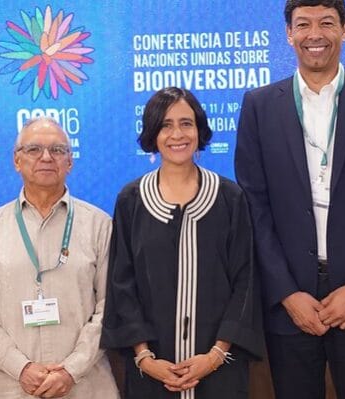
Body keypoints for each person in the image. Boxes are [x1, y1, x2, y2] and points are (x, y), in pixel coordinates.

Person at [234, 0, 345, 397]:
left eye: (326, 23)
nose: (315, 34)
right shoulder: (259, 105)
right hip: (289, 302)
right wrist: (286, 293)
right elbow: (253, 208)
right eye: (303, 25)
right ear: (289, 34)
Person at [101, 87, 263, 398]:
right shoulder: (131, 200)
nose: (177, 134)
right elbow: (122, 283)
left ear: (199, 130)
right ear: (152, 133)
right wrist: (145, 358)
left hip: (220, 371)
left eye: (186, 123)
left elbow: (246, 280)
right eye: (165, 124)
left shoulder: (229, 197)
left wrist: (215, 356)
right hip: (151, 372)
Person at [0, 117, 119, 399]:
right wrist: (21, 368)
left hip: (86, 386)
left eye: (58, 150)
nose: (46, 157)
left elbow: (110, 311)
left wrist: (70, 370)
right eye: (34, 150)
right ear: (16, 160)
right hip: (11, 387)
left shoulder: (99, 225)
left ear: (70, 162)